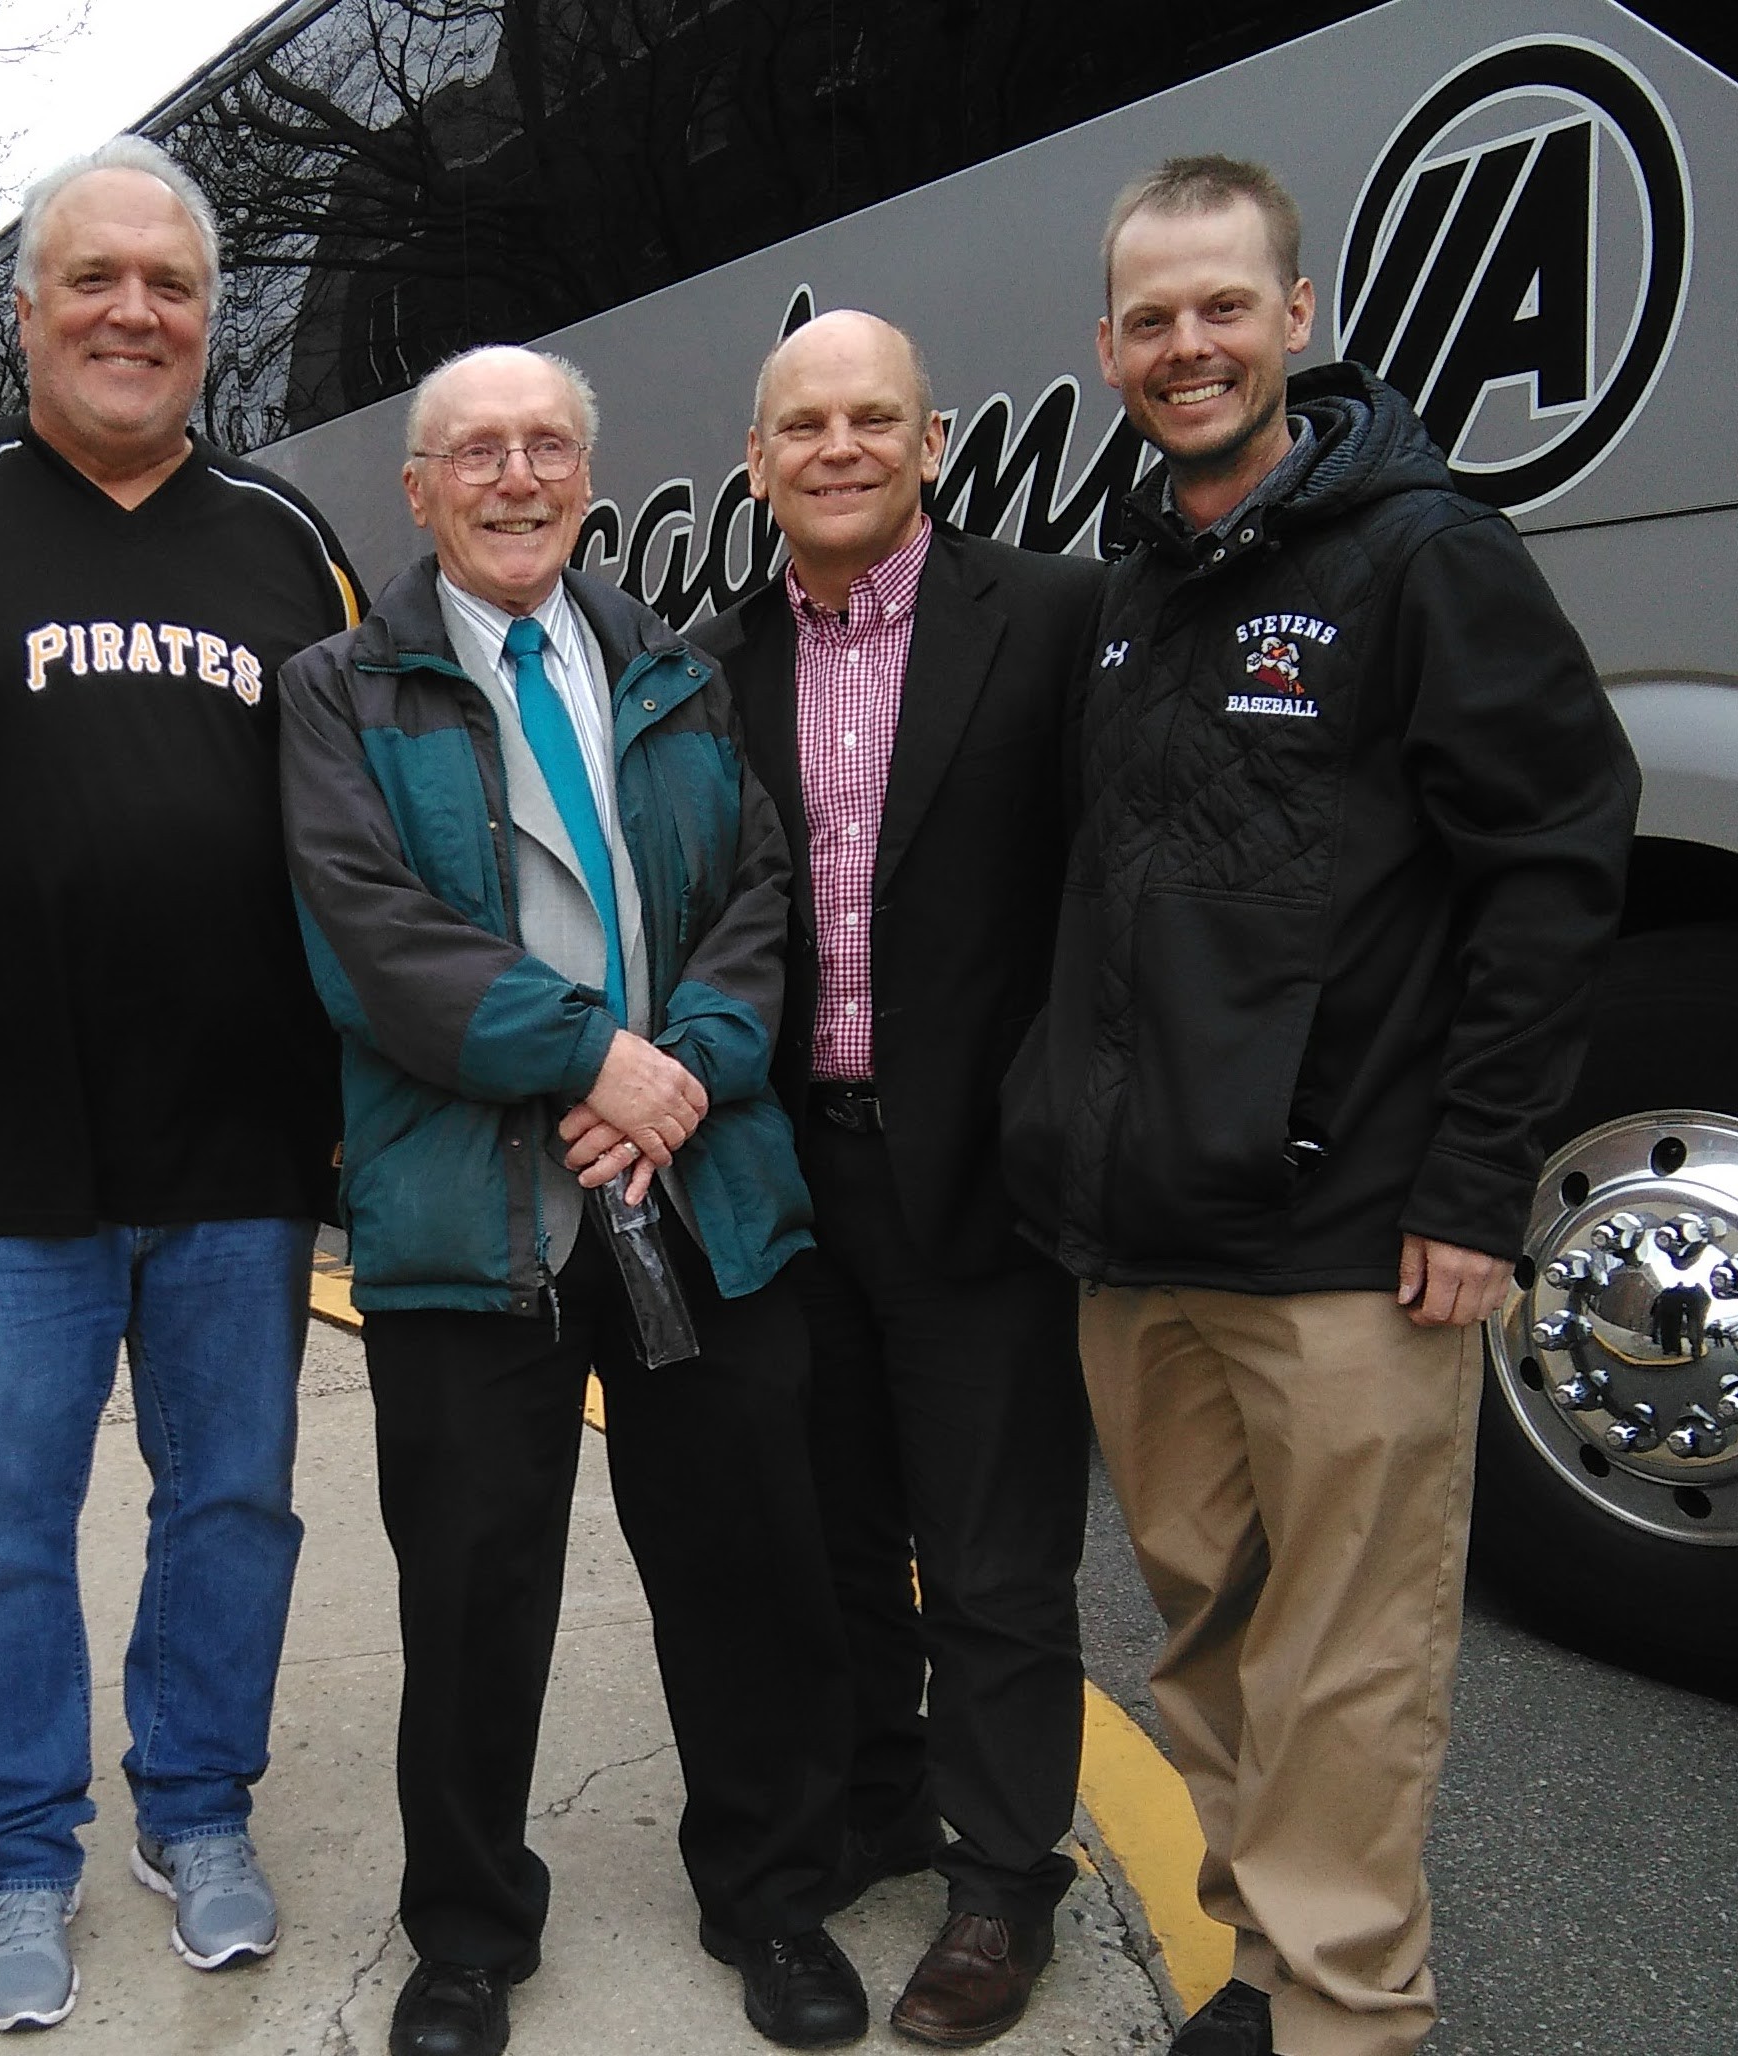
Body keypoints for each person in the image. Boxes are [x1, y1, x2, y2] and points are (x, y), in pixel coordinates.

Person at [1003, 157, 1639, 2056]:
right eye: (1151, 319)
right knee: (1208, 1637)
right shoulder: (1132, 588)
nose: (1187, 347)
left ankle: (1350, 2016)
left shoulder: (1426, 556)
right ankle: (1269, 1970)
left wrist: (1478, 1180)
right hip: (1147, 1238)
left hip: (1352, 1235)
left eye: (1224, 308)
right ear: (1105, 347)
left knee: (1351, 1663)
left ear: (1296, 317)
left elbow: (1555, 865)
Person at [0, 136, 360, 2033]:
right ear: (29, 311)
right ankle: (22, 1848)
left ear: (210, 324)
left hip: (238, 1146)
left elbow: (365, 838)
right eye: (95, 280)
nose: (134, 313)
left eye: (170, 285)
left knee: (235, 1503)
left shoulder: (287, 544)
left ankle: (197, 1809)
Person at [280, 343, 868, 2056]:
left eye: (546, 446)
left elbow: (759, 895)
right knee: (472, 1595)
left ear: (589, 479)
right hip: (474, 1220)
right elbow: (368, 936)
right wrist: (594, 1061)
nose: (516, 477)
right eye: (476, 452)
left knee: (748, 1567)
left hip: (701, 1189)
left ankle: (772, 1897)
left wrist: (685, 1069)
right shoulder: (338, 690)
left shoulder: (676, 669)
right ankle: (468, 1935)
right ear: (418, 490)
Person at [698, 308, 1102, 2047]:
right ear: (757, 461)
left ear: (933, 443)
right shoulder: (715, 663)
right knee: (838, 1535)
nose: (839, 448)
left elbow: (1106, 891)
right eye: (804, 424)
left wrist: (1058, 1115)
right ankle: (881, 1798)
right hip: (793, 1179)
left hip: (982, 1185)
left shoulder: (1058, 620)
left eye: (874, 418)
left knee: (995, 1560)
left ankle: (1005, 1878)